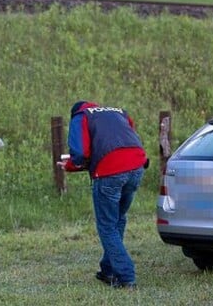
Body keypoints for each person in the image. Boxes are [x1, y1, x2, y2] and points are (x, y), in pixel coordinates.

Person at [57, 100, 148, 290]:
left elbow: (80, 153)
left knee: (107, 226)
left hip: (110, 174)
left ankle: (125, 276)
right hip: (137, 166)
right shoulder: (119, 111)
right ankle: (107, 270)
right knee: (118, 220)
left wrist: (70, 165)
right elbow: (129, 139)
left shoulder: (80, 116)